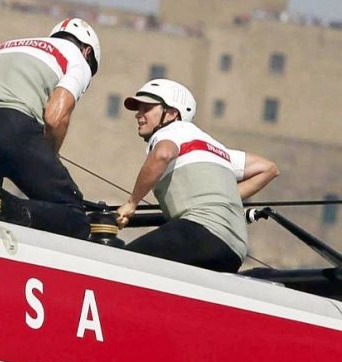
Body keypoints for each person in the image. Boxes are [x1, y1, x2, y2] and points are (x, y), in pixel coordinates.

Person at [116, 79, 279, 272]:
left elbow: (162, 155)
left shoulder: (172, 130)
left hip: (201, 232)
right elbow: (269, 168)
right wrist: (226, 197)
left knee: (121, 264)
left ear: (171, 113)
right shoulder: (215, 148)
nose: (138, 115)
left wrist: (131, 204)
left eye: (147, 109)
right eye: (139, 109)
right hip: (234, 250)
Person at [0, 18, 101, 237]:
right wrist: (50, 156)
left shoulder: (11, 44)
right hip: (14, 126)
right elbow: (55, 118)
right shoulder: (77, 59)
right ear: (87, 51)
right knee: (73, 215)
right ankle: (16, 211)